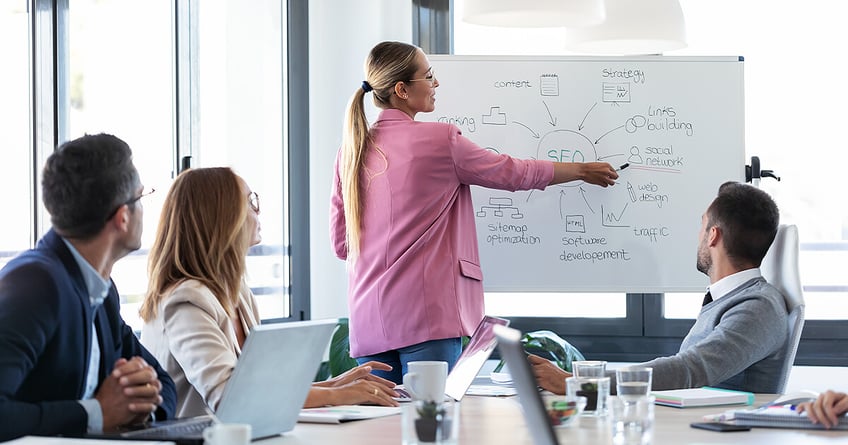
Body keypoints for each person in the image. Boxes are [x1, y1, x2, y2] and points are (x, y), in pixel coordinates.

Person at [330, 40, 619, 383]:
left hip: (369, 321)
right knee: (433, 426)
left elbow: (341, 245)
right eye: (429, 76)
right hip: (428, 319)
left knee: (380, 431)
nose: (436, 84)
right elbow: (510, 172)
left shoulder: (351, 150)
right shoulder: (440, 140)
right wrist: (581, 171)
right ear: (402, 90)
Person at [140, 167, 398, 418]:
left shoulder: (238, 292)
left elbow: (258, 391)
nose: (258, 210)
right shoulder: (186, 300)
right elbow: (230, 397)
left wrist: (335, 385)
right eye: (250, 201)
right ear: (224, 216)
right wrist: (336, 395)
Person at [531, 181, 789, 394]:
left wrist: (576, 385)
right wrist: (574, 378)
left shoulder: (758, 307)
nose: (697, 235)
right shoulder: (730, 299)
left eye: (702, 224)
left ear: (713, 235)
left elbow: (688, 369)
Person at [0, 134, 176, 441]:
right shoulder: (36, 285)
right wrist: (97, 413)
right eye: (142, 196)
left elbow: (164, 382)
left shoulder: (101, 290)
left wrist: (140, 404)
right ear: (123, 217)